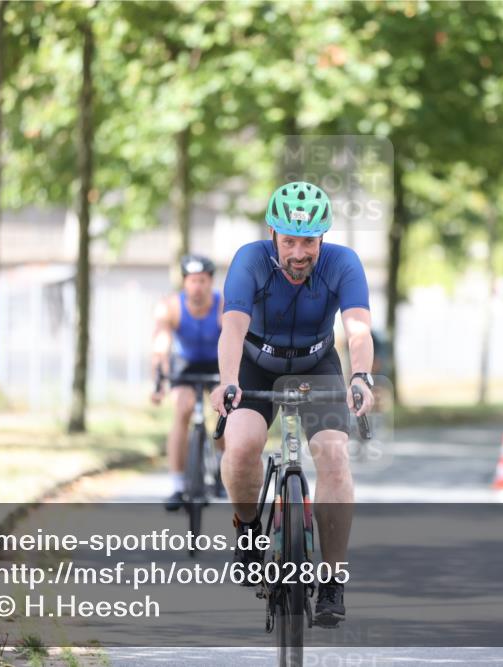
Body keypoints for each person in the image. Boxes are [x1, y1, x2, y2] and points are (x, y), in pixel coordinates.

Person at [210, 181, 374, 627]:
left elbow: (358, 329)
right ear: (272, 234)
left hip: (315, 364)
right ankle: (247, 530)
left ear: (323, 237)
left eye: (309, 242)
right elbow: (233, 328)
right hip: (254, 364)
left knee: (334, 457)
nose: (298, 253)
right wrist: (227, 381)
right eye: (289, 241)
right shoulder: (250, 260)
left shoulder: (344, 263)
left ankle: (333, 580)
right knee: (241, 446)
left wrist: (360, 377)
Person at [151, 254, 224, 511]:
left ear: (210, 282)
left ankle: (220, 464)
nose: (198, 286)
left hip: (218, 361)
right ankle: (177, 485)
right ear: (184, 283)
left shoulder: (222, 305)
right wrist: (158, 381)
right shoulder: (170, 306)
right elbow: (160, 344)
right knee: (182, 408)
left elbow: (233, 339)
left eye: (203, 281)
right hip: (185, 363)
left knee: (226, 409)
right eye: (192, 281)